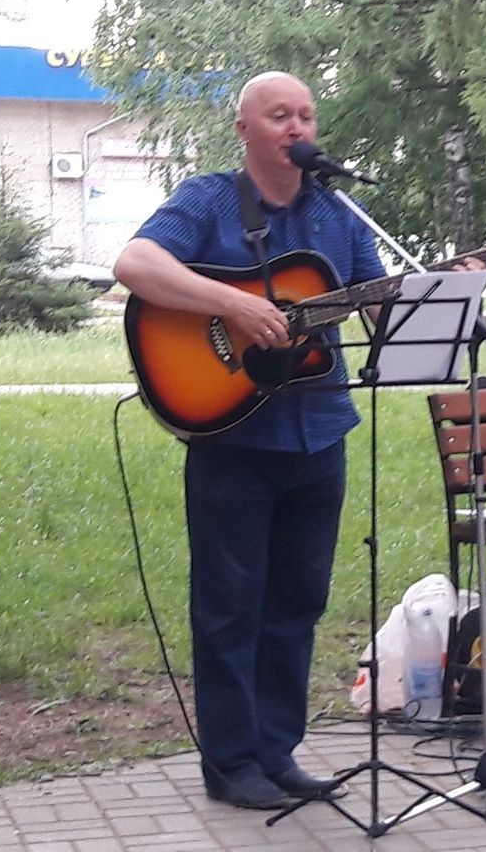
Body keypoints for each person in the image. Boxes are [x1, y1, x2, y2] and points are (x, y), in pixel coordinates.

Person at [114, 71, 387, 809]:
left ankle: (277, 751)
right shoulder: (208, 199)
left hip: (320, 433)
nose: (296, 127)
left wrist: (448, 288)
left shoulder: (339, 214)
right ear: (246, 129)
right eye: (279, 115)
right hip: (232, 440)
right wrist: (232, 302)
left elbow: (377, 306)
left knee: (298, 601)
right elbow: (134, 265)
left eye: (305, 114)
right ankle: (231, 765)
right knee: (230, 605)